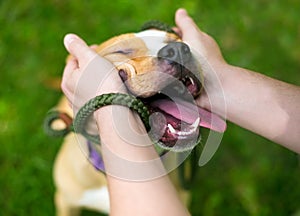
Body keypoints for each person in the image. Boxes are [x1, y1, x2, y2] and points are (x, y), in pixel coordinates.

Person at [61, 8, 300, 215]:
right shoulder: (71, 173)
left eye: (173, 47)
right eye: (123, 53)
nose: (173, 52)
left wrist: (110, 106)